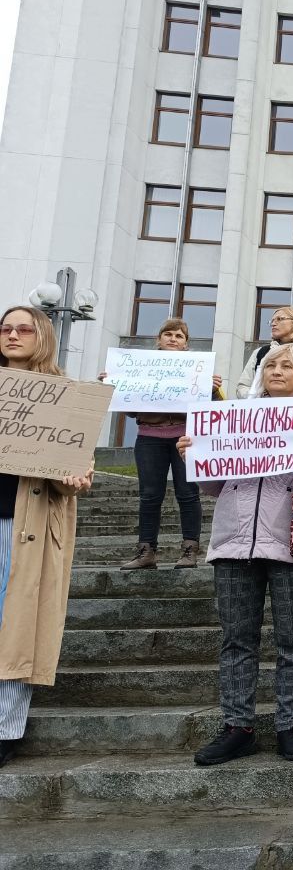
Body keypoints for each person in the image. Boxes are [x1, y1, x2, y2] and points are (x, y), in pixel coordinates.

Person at [182, 343, 293, 766]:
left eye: (287, 365)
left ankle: (291, 725)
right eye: (270, 364)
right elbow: (215, 487)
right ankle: (237, 726)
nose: (276, 370)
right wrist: (195, 459)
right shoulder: (235, 415)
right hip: (234, 542)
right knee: (236, 640)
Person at [0, 306, 94, 769]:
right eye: (5, 328)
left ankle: (5, 727)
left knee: (16, 624)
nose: (12, 335)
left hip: (25, 525)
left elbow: (68, 472)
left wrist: (74, 479)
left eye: (23, 328)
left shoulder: (63, 396)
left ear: (43, 336)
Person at [112, 317, 225, 571]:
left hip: (186, 439)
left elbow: (214, 409)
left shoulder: (198, 369)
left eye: (179, 336)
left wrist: (213, 389)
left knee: (188, 494)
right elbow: (129, 411)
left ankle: (189, 550)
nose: (173, 339)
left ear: (186, 344)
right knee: (149, 496)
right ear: (159, 339)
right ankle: (146, 551)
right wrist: (116, 386)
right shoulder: (138, 368)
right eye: (168, 334)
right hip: (149, 437)